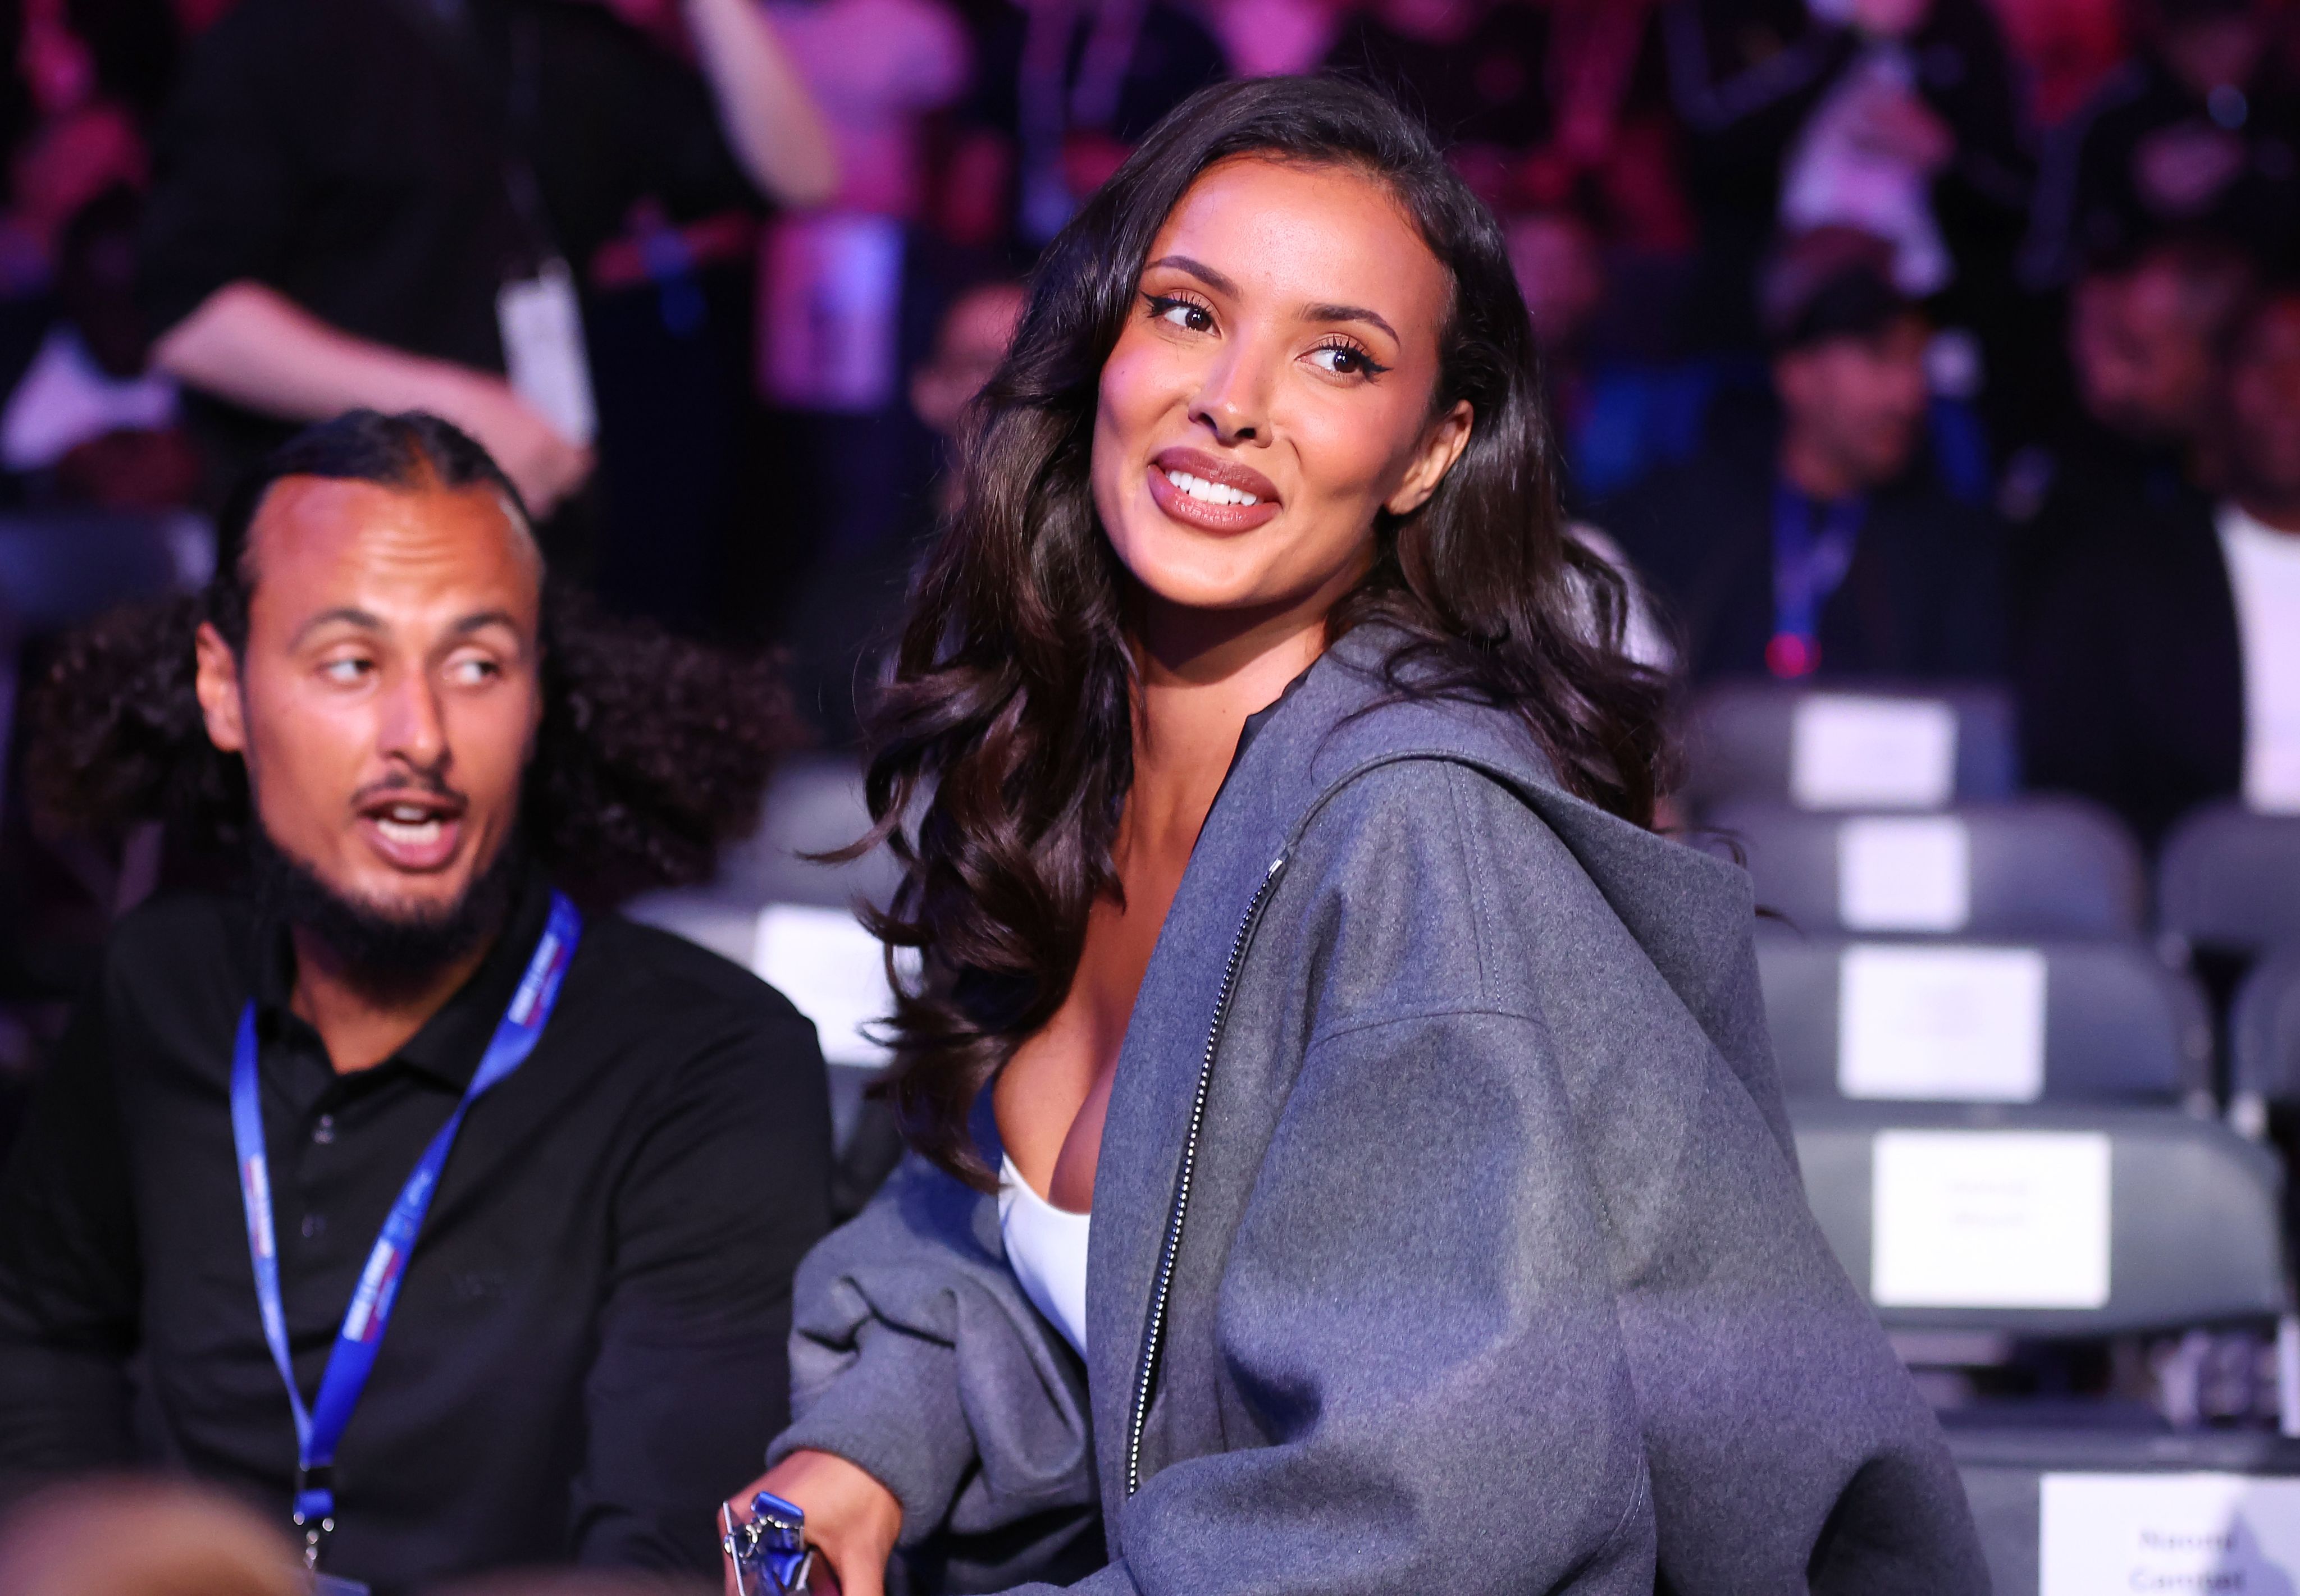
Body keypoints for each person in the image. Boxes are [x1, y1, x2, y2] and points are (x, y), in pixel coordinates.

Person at [721, 76, 1983, 1595]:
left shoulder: (1415, 838)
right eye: (1189, 313)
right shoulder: (1065, 763)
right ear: (1101, 345)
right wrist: (863, 1447)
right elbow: (1070, 1283)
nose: (1235, 397)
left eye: (1337, 354)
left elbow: (1424, 1521)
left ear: (1432, 450)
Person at [0, 411, 833, 1593]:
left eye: (478, 663)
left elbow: (666, 1558)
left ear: (538, 696)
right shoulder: (159, 986)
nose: (421, 736)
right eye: (350, 662)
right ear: (224, 689)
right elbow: (39, 1337)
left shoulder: (707, 1065)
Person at [135, 0, 838, 525]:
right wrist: (454, 410)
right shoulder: (276, 38)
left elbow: (801, 177)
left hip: (540, 517)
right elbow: (188, 318)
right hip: (345, 523)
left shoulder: (558, 38)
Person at [1599, 225, 2004, 684]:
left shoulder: (1948, 547)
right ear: (1796, 372)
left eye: (1917, 359)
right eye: (1880, 355)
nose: (1909, 393)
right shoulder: (1683, 519)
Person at [2023, 281, 2300, 845]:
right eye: (2264, 361)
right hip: (2198, 913)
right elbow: (2075, 789)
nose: (2288, 388)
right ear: (2218, 385)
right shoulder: (2123, 571)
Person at [2003, 231, 2256, 622]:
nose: (2106, 378)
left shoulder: (2266, 497)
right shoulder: (2101, 467)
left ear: (2218, 361)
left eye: (2134, 352)